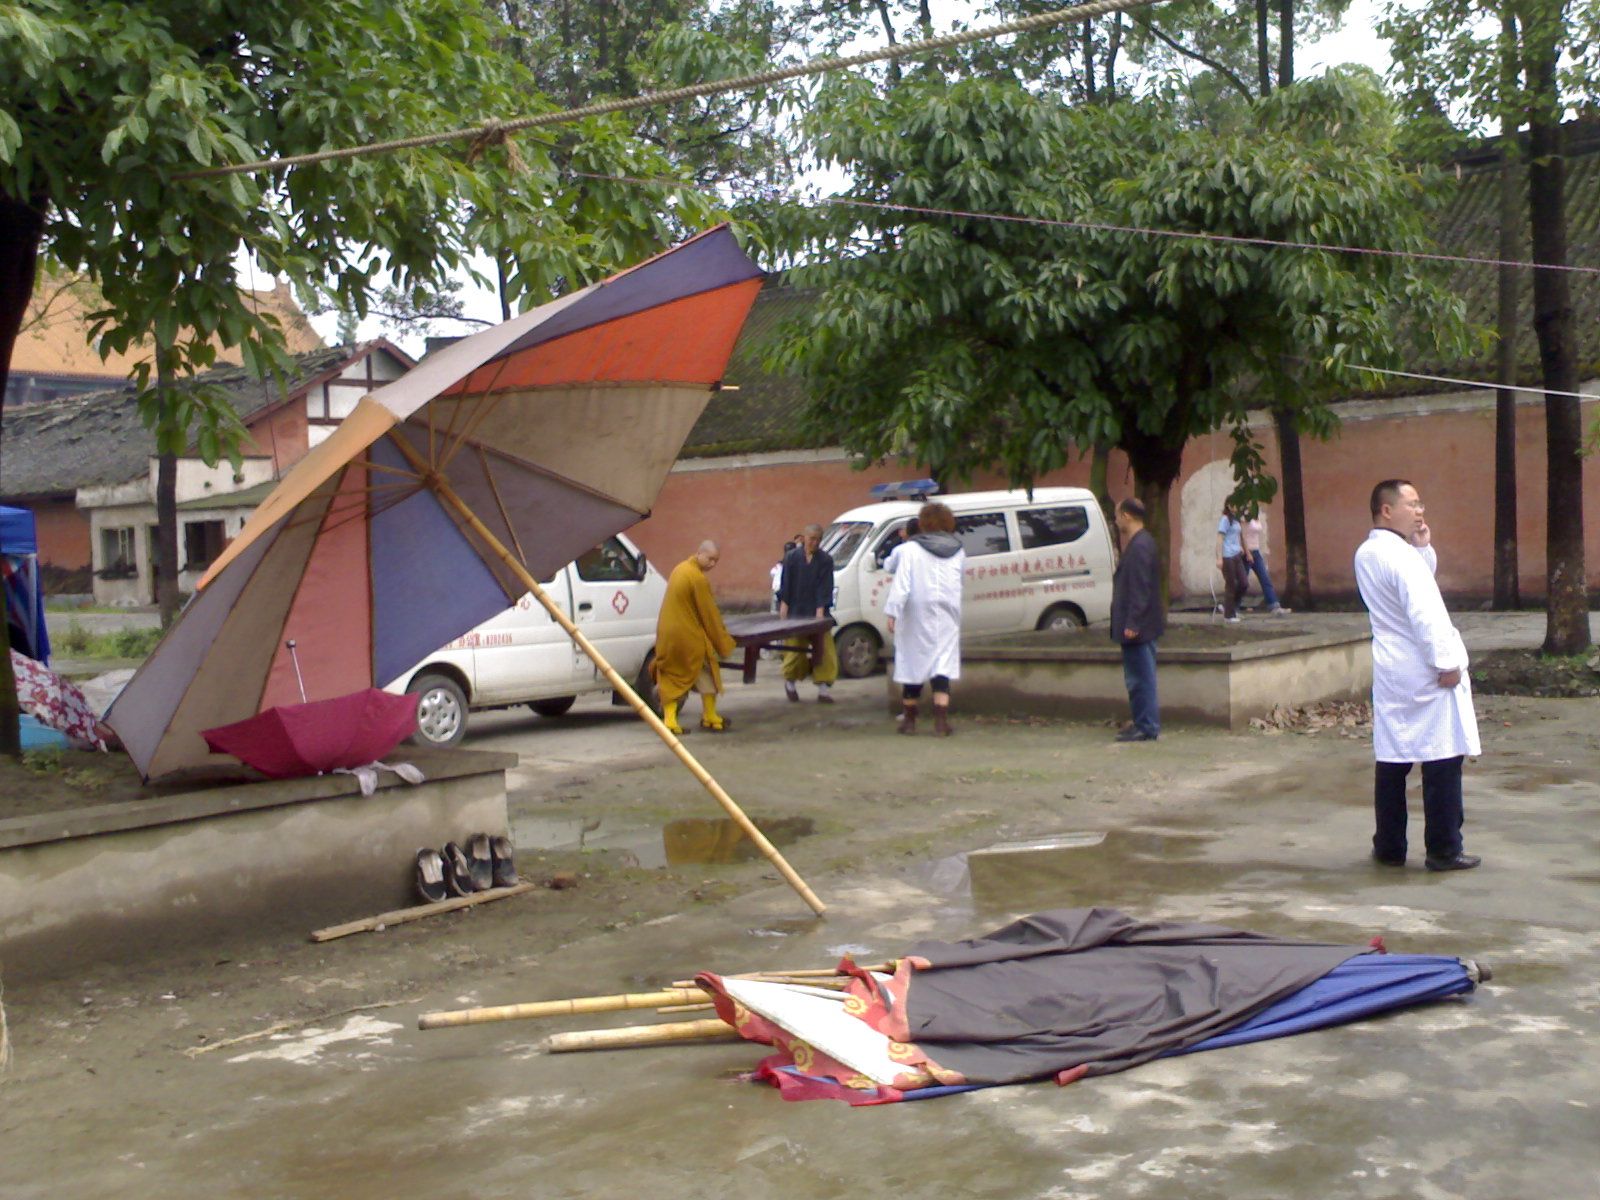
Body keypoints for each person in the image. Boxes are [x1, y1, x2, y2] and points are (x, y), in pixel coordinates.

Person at [1354, 480, 1481, 872]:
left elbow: (1408, 587)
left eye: (1421, 503)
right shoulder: (1401, 558)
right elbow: (1426, 612)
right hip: (1422, 663)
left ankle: (1389, 847)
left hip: (1393, 666)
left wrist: (1422, 546)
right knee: (1441, 756)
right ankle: (1444, 848)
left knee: (1393, 756)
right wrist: (1446, 663)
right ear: (1387, 510)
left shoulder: (1369, 552)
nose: (1420, 510)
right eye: (1411, 504)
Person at [883, 502, 964, 736]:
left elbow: (902, 584)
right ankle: (941, 722)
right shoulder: (958, 550)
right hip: (947, 612)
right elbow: (959, 582)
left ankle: (909, 721)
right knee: (943, 663)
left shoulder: (910, 550)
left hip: (916, 612)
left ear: (923, 523)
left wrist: (893, 611)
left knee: (913, 662)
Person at [652, 540, 737, 735]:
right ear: (699, 553)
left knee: (672, 674)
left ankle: (670, 720)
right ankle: (710, 715)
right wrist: (723, 642)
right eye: (710, 559)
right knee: (707, 668)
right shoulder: (697, 578)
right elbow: (709, 615)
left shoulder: (679, 569)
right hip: (687, 636)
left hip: (667, 634)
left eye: (716, 561)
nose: (712, 564)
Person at [1109, 498, 1166, 743]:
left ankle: (1147, 726)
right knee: (1138, 677)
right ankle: (1143, 722)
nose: (1116, 520)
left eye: (1117, 515)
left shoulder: (1141, 546)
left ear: (1127, 515)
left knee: (1141, 678)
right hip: (1140, 625)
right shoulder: (1141, 543)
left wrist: (1132, 623)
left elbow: (1140, 588)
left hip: (1139, 627)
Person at [779, 523, 839, 703]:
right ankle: (790, 683)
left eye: (818, 539)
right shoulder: (791, 557)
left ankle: (823, 690)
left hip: (817, 610)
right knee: (794, 650)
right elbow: (786, 582)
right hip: (796, 610)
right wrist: (784, 605)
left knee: (824, 649)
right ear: (804, 537)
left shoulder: (826, 560)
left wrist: (820, 611)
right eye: (812, 538)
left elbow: (825, 586)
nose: (814, 542)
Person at [1241, 515, 1291, 615]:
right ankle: (1231, 606)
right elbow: (1241, 536)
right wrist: (1247, 553)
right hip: (1247, 553)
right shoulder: (1243, 517)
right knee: (1242, 582)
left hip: (1256, 552)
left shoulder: (1255, 515)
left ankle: (1274, 606)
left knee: (1265, 579)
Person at [1214, 502, 1248, 623]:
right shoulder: (1225, 520)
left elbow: (1237, 535)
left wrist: (1240, 547)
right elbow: (1220, 538)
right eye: (1234, 504)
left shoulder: (1236, 519)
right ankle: (1228, 616)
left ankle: (1230, 607)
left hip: (1237, 554)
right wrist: (1219, 558)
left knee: (1244, 583)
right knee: (1231, 584)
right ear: (1228, 506)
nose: (1237, 506)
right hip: (1227, 556)